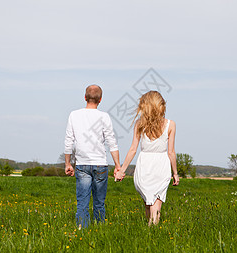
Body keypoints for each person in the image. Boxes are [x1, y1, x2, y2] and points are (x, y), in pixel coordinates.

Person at [115, 91, 179, 225]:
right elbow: (171, 152)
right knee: (156, 204)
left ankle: (149, 232)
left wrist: (122, 170)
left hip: (144, 164)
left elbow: (133, 149)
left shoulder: (139, 124)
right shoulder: (170, 124)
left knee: (148, 203)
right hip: (161, 165)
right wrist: (175, 173)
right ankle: (152, 234)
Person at [64, 84, 122, 228]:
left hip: (82, 164)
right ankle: (99, 229)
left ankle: (82, 230)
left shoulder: (74, 115)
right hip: (100, 164)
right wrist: (118, 166)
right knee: (99, 203)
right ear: (100, 100)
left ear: (85, 97)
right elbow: (112, 142)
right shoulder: (104, 117)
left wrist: (68, 164)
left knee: (82, 202)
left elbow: (68, 141)